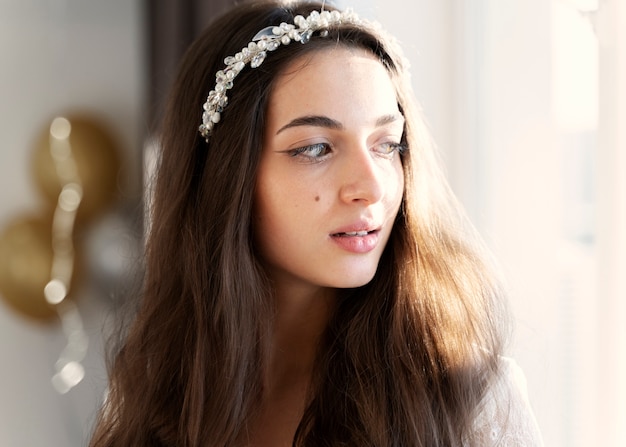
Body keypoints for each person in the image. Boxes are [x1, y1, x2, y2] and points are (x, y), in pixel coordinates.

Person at [89, 1, 544, 446]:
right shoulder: (152, 392)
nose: (370, 186)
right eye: (315, 148)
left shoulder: (473, 402)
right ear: (226, 177)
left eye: (387, 145)